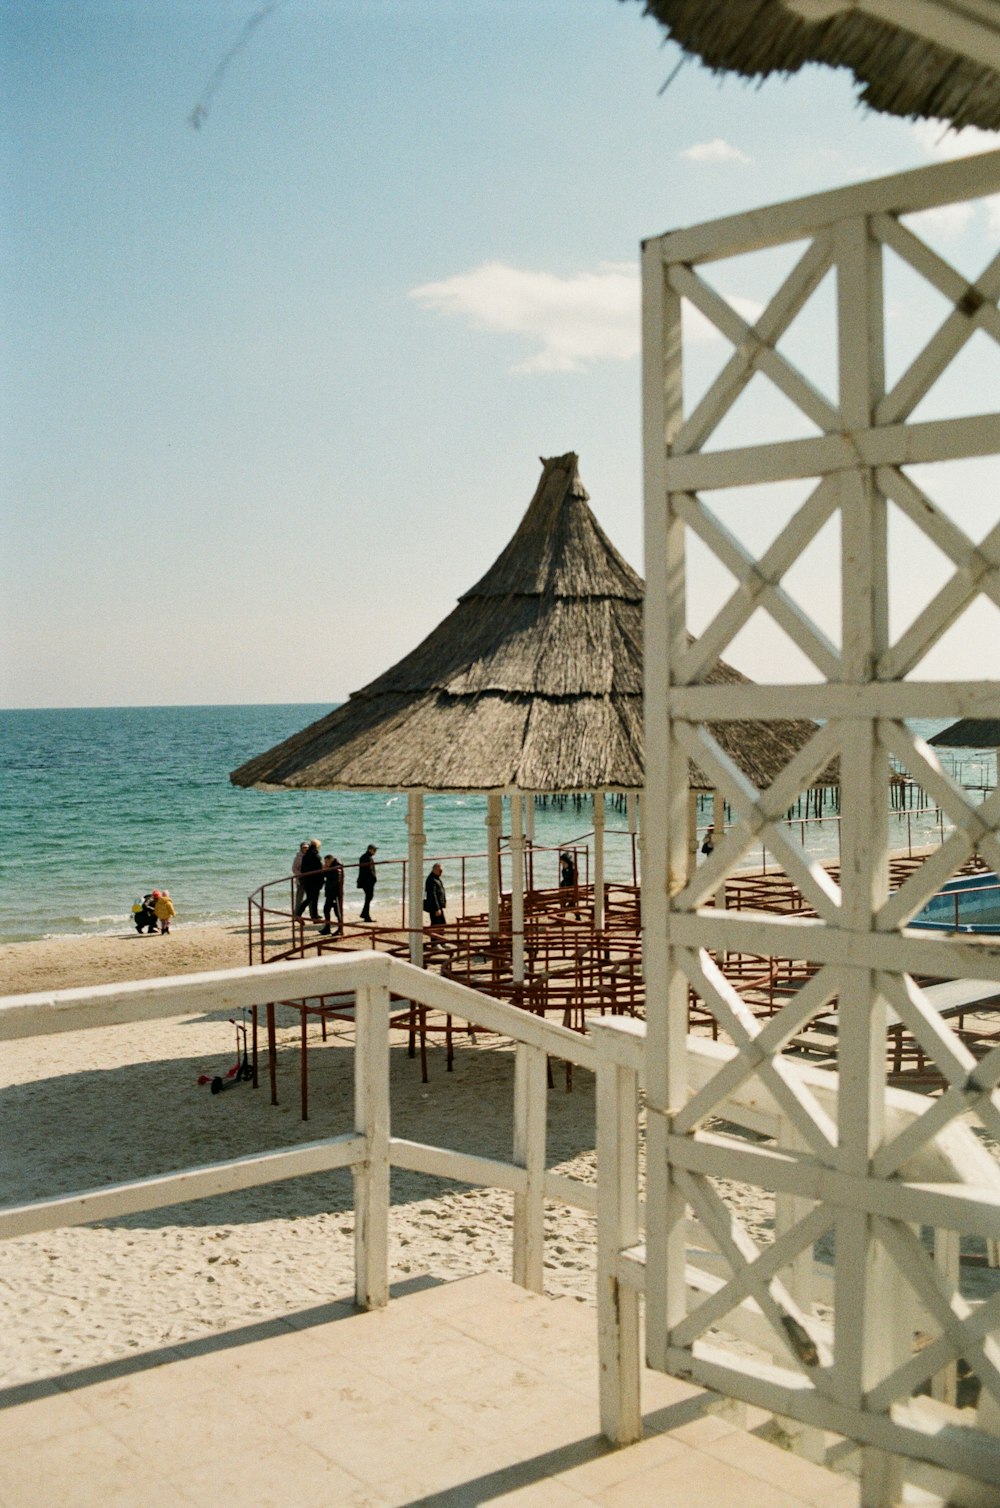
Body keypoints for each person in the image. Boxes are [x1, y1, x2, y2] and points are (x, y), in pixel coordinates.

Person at [296, 838, 324, 920]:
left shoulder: (306, 856)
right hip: (314, 881)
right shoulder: (316, 856)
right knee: (312, 898)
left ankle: (314, 915)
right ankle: (299, 913)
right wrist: (322, 881)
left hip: (307, 880)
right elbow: (320, 870)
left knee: (311, 898)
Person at [320, 854, 344, 936]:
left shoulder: (336, 868)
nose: (325, 863)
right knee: (326, 909)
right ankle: (327, 928)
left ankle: (340, 929)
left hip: (335, 893)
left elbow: (336, 881)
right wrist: (325, 870)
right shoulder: (332, 868)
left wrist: (331, 889)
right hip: (330, 893)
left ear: (331, 860)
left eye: (326, 861)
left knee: (337, 912)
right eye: (325, 861)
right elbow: (327, 877)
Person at [357, 844, 378, 922]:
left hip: (365, 880)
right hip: (367, 881)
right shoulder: (367, 858)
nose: (375, 852)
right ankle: (366, 916)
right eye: (374, 850)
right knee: (369, 897)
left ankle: (365, 914)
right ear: (370, 849)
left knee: (368, 897)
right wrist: (374, 878)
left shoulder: (365, 857)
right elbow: (369, 870)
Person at [423, 862, 446, 928]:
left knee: (441, 925)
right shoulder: (431, 880)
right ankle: (436, 938)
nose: (441, 872)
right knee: (436, 926)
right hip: (435, 908)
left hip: (438, 907)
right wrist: (437, 908)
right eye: (440, 870)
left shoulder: (436, 878)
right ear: (434, 869)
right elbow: (432, 895)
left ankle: (438, 938)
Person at [291, 841, 309, 911]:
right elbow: (294, 868)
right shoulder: (298, 857)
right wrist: (300, 875)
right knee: (299, 898)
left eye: (307, 847)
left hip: (309, 880)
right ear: (301, 848)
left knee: (310, 898)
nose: (305, 849)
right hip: (300, 880)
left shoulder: (309, 856)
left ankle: (312, 914)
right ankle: (297, 913)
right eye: (304, 847)